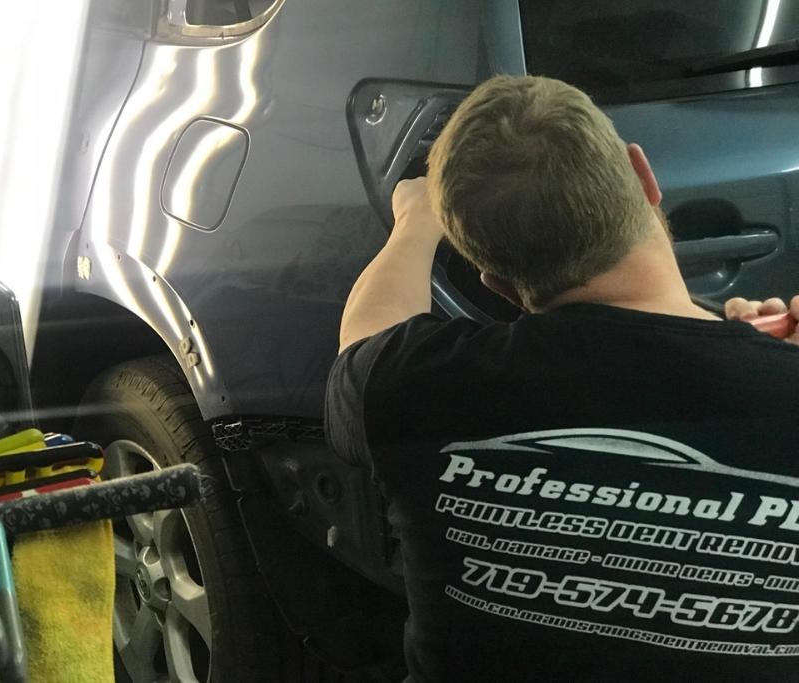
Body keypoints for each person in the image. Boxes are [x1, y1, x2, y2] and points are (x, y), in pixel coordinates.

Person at [325, 75, 799, 682]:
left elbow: (366, 335)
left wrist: (417, 223)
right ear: (643, 177)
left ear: (492, 278)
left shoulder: (416, 388)